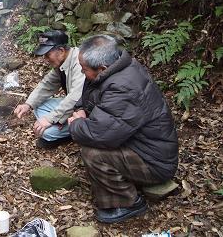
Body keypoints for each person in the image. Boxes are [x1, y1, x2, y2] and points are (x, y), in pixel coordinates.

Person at [68, 35, 178, 224]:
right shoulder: (113, 69)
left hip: (154, 161)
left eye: (84, 69)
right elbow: (88, 97)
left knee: (93, 153)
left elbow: (99, 135)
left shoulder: (124, 87)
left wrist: (76, 124)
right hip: (138, 144)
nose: (82, 72)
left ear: (102, 68)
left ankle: (129, 203)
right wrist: (81, 110)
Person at [14, 30, 86, 149]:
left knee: (46, 133)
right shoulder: (63, 62)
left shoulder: (79, 62)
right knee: (38, 105)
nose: (45, 59)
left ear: (61, 51)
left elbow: (75, 97)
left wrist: (49, 119)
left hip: (86, 112)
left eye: (47, 54)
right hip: (74, 108)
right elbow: (47, 85)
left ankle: (68, 133)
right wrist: (28, 104)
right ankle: (63, 126)